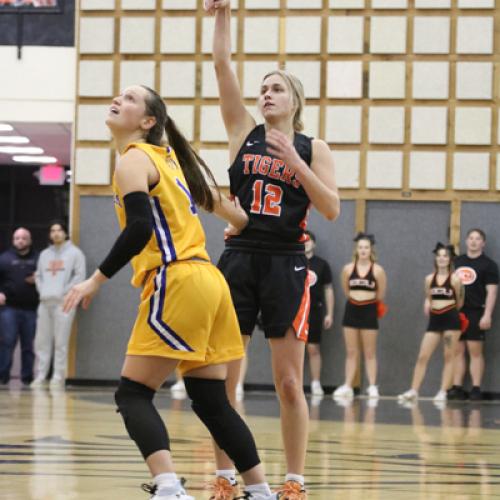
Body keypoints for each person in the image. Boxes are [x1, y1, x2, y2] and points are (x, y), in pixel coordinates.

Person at [63, 84, 278, 500]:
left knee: (133, 393)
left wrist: (96, 279)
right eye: (119, 95)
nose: (117, 99)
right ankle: (261, 491)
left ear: (147, 122)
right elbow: (237, 215)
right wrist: (241, 222)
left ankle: (168, 487)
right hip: (210, 283)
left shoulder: (133, 159)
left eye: (129, 98)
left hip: (177, 279)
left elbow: (140, 227)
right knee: (212, 401)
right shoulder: (169, 161)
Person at [206, 1, 340, 497]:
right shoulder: (242, 131)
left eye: (275, 88)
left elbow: (331, 209)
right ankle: (223, 475)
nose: (265, 94)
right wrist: (220, 16)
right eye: (262, 88)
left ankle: (294, 480)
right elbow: (222, 65)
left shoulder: (313, 148)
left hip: (287, 262)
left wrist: (296, 163)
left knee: (288, 382)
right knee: (223, 378)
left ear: (294, 101)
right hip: (239, 256)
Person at [398, 243, 464, 404]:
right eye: (439, 255)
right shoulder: (429, 279)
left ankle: (443, 391)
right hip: (435, 321)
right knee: (422, 356)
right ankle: (414, 390)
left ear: (450, 259)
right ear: (436, 258)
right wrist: (428, 303)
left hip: (451, 321)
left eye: (445, 256)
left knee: (448, 356)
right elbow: (429, 296)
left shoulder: (456, 280)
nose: (442, 258)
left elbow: (460, 302)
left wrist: (448, 310)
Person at [31, 221, 86, 388]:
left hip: (64, 303)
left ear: (65, 233)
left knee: (61, 342)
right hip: (45, 302)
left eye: (59, 230)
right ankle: (40, 376)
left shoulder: (75, 253)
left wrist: (63, 292)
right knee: (42, 341)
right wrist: (43, 291)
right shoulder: (44, 254)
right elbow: (38, 276)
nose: (55, 233)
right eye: (52, 231)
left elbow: (79, 276)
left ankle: (58, 377)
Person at [333, 233, 386, 400]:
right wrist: (356, 299)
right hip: (352, 310)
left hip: (369, 310)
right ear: (356, 249)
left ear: (371, 250)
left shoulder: (378, 270)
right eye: (361, 247)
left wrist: (367, 301)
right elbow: (346, 290)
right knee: (351, 351)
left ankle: (372, 387)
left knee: (370, 352)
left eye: (366, 247)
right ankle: (348, 385)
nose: (363, 250)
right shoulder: (348, 269)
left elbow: (381, 294)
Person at [449, 228, 499, 401]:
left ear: (483, 243)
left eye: (478, 239)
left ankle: (476, 388)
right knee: (457, 351)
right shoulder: (456, 262)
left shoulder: (489, 265)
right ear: (466, 241)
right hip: (456, 313)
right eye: (471, 238)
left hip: (476, 312)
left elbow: (492, 292)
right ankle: (457, 387)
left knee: (475, 351)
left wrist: (487, 315)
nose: (474, 241)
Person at [0, 228, 39, 385]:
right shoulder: (4, 259)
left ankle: (27, 378)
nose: (20, 240)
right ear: (13, 240)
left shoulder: (39, 259)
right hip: (9, 309)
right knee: (7, 342)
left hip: (32, 309)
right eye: (17, 238)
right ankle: (3, 376)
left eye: (23, 238)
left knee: (28, 346)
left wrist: (40, 278)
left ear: (29, 240)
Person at [304, 230, 334, 397]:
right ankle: (293, 382)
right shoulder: (293, 261)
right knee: (295, 350)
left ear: (313, 243)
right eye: (303, 239)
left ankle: (316, 383)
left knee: (313, 348)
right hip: (295, 311)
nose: (306, 242)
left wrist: (329, 313)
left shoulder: (322, 265)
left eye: (309, 240)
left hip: (315, 310)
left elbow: (328, 289)